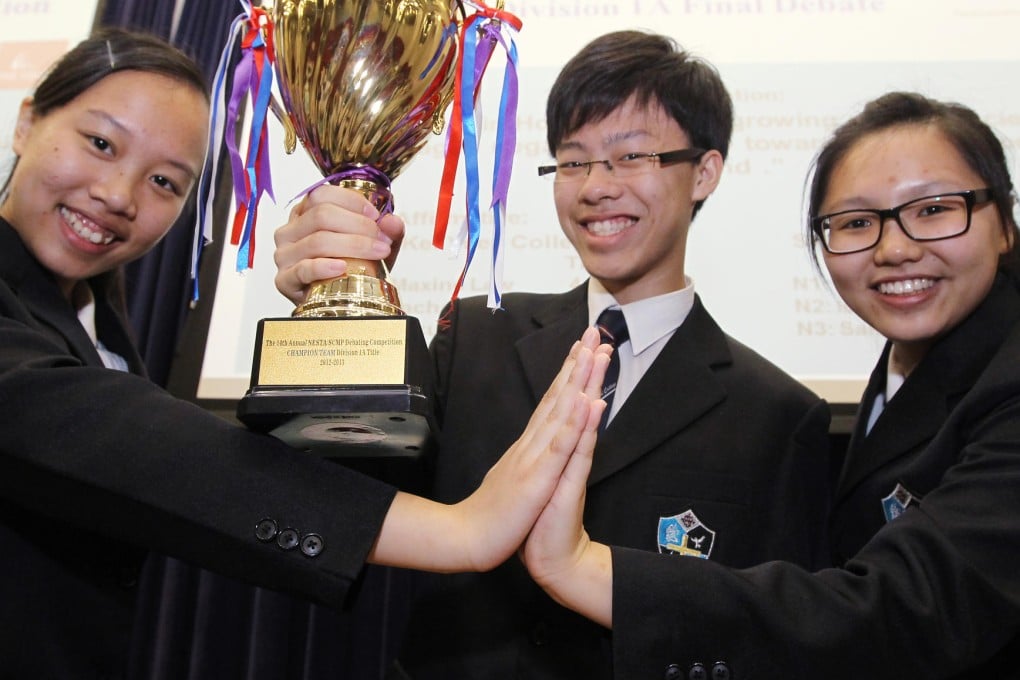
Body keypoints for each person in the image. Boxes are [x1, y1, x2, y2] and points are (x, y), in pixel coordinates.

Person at [0, 27, 608, 679]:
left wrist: (340, 316)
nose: (120, 196)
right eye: (100, 143)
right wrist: (458, 531)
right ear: (28, 119)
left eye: (165, 182)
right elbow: (110, 437)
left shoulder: (97, 316)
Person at [274, 31, 833, 679]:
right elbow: (352, 495)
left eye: (630, 157)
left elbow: (769, 634)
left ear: (704, 171)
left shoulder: (779, 415)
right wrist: (338, 308)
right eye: (572, 162)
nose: (595, 187)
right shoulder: (477, 335)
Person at [522, 91, 1020, 679]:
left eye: (934, 209)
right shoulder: (917, 359)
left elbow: (910, 605)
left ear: (1004, 223)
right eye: (857, 222)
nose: (895, 249)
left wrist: (585, 569)